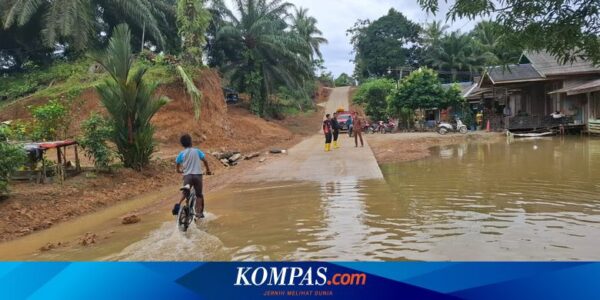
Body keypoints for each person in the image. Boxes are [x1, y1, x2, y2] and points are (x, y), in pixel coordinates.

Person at [176, 134, 212, 219]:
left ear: (182, 144)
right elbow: (205, 161)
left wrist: (178, 170)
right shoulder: (197, 151)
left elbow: (177, 163)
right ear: (191, 142)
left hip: (187, 176)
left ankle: (178, 205)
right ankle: (198, 213)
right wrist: (208, 170)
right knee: (199, 195)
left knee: (185, 192)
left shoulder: (182, 153)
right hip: (197, 176)